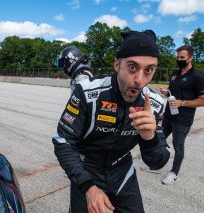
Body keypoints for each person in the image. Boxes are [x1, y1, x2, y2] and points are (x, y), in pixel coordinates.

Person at [52, 30, 170, 213]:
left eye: (149, 70)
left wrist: (150, 138)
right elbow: (63, 142)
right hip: (88, 168)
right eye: (132, 67)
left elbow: (157, 162)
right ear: (117, 64)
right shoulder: (87, 91)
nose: (139, 80)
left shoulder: (154, 104)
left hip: (123, 169)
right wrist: (88, 187)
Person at [160, 45, 204, 185]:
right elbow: (173, 91)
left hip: (182, 120)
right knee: (159, 139)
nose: (179, 59)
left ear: (190, 58)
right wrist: (166, 92)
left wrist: (182, 103)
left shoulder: (196, 76)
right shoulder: (175, 73)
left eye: (182, 57)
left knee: (178, 146)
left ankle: (174, 173)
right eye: (177, 57)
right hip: (168, 115)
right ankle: (155, 163)